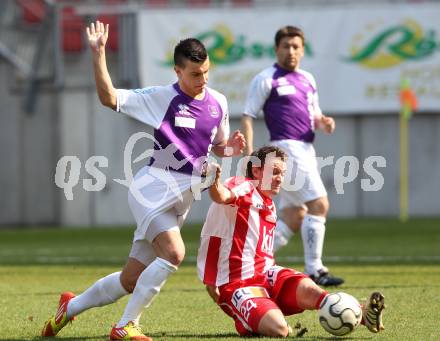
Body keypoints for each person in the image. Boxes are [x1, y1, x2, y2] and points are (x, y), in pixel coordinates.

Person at [41, 21, 245, 340]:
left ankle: (69, 307)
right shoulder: (161, 98)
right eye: (195, 74)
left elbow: (216, 144)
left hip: (182, 199)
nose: (202, 80)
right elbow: (109, 98)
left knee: (130, 279)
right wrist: (98, 55)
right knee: (174, 254)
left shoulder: (218, 101)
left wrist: (230, 148)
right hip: (153, 189)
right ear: (178, 71)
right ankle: (125, 325)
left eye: (206, 72)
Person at [197, 146, 385, 337]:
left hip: (267, 273)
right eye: (275, 172)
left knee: (312, 291)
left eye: (282, 173)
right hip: (239, 284)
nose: (280, 178)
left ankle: (363, 315)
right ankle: (248, 320)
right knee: (280, 330)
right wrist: (214, 181)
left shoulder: (268, 203)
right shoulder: (243, 186)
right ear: (256, 171)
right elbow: (221, 195)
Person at [241, 25, 343, 286]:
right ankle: (315, 269)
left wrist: (324, 122)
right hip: (286, 148)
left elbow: (315, 114)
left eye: (296, 46)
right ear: (277, 49)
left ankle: (251, 262)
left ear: (302, 50)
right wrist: (252, 156)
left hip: (306, 149)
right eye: (286, 46)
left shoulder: (308, 79)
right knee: (319, 205)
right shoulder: (267, 78)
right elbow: (248, 116)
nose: (291, 51)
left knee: (294, 216)